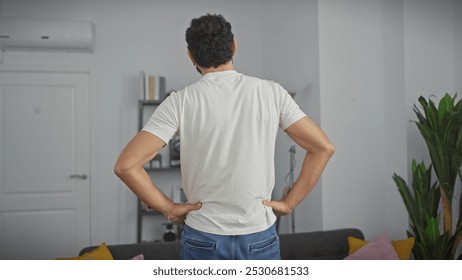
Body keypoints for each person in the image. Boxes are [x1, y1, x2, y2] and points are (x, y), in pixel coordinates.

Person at [114, 14, 335, 260]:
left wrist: (170, 209)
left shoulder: (180, 101)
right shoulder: (271, 92)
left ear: (191, 56)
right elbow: (323, 148)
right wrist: (289, 203)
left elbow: (126, 166)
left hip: (203, 238)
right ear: (234, 46)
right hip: (259, 237)